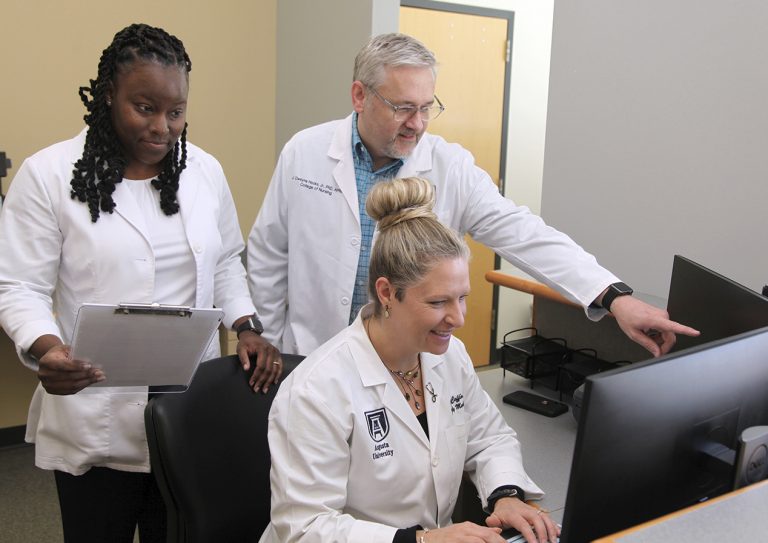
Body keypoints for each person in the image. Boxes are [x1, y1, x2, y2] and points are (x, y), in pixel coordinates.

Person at [247, 32, 698, 359]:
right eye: (403, 107)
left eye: (427, 108)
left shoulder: (450, 167)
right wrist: (266, 339)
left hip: (401, 365)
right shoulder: (304, 152)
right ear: (360, 96)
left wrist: (614, 297)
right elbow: (269, 252)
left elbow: (524, 234)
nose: (418, 123)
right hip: (308, 354)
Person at [0, 24, 280, 543]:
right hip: (94, 403)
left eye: (175, 112)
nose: (162, 127)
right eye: (144, 107)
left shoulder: (204, 172)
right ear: (108, 95)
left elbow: (225, 263)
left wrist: (246, 325)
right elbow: (18, 286)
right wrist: (47, 349)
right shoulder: (48, 175)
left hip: (185, 406)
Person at [260, 177, 559, 543]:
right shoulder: (315, 391)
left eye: (461, 297)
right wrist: (416, 541)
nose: (458, 318)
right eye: (437, 302)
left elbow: (489, 438)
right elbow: (304, 528)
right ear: (387, 293)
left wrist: (506, 494)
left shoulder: (450, 356)